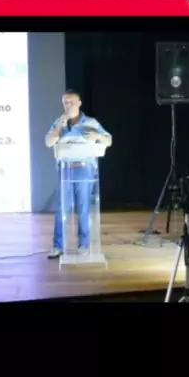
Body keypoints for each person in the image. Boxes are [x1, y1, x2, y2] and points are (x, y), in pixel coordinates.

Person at [45, 90, 112, 259]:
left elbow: (108, 140)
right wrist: (60, 127)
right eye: (65, 102)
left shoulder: (90, 122)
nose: (68, 105)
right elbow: (49, 142)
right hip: (65, 170)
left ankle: (84, 244)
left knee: (84, 208)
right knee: (62, 208)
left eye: (71, 102)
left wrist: (98, 135)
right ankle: (58, 246)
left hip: (84, 169)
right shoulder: (59, 122)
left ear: (79, 103)